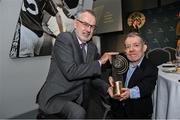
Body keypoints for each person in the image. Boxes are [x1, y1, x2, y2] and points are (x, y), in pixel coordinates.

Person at [36, 9, 118, 119]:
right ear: (75, 24)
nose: (88, 30)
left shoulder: (92, 48)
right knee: (78, 113)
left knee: (101, 111)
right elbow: (71, 72)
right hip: (57, 96)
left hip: (78, 97)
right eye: (85, 24)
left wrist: (108, 88)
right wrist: (100, 62)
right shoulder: (64, 39)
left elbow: (91, 76)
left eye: (92, 27)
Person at [107, 32, 158, 119]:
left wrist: (130, 93)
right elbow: (112, 73)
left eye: (136, 45)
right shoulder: (121, 61)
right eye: (128, 46)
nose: (131, 49)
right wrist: (110, 78)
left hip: (138, 113)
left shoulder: (151, 67)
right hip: (118, 112)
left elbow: (146, 87)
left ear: (144, 47)